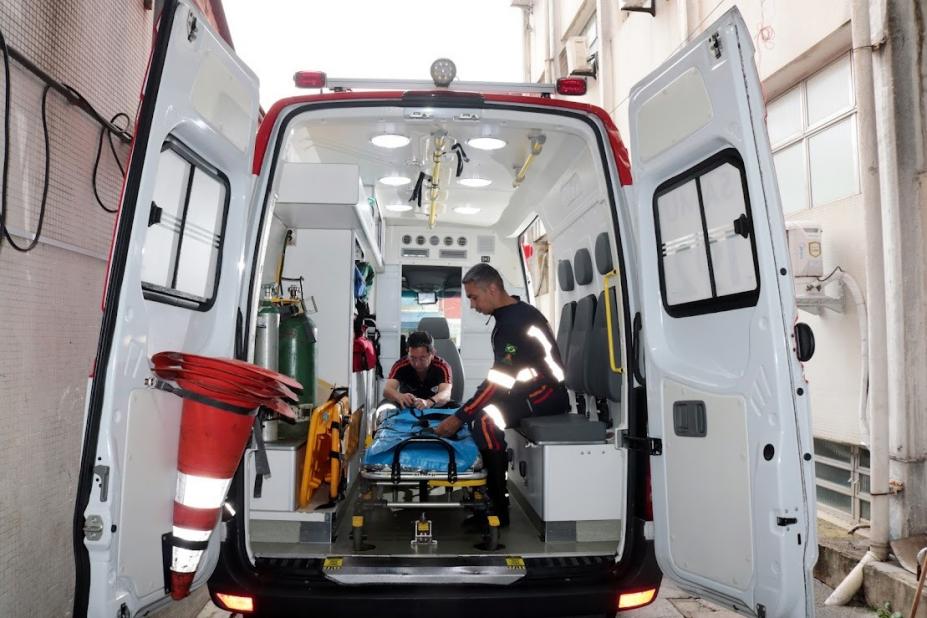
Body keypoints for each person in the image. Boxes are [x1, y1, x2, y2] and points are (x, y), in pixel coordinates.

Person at [435, 263, 569, 527]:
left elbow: (499, 380)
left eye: (474, 297)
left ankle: (498, 511)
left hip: (547, 394)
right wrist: (467, 410)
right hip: (527, 389)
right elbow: (503, 377)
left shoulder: (514, 323)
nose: (473, 305)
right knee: (478, 414)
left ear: (493, 289)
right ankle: (488, 495)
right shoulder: (512, 314)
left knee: (484, 421)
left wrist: (460, 416)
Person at [383, 331, 453, 410]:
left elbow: (446, 394)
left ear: (432, 353)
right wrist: (399, 396)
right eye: (412, 358)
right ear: (407, 352)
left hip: (434, 409)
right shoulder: (400, 365)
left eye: (422, 358)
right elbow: (387, 390)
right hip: (408, 409)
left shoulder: (442, 366)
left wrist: (428, 402)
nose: (417, 364)